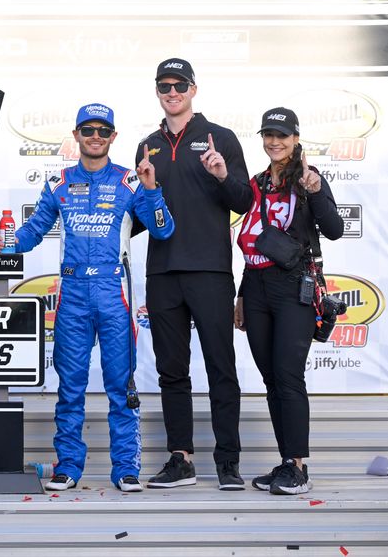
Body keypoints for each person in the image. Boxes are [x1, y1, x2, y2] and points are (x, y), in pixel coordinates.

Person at [0, 103, 174, 493]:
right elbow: (32, 231)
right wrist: (7, 242)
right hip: (73, 294)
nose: (95, 136)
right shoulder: (58, 183)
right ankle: (69, 466)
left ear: (113, 137)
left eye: (103, 131)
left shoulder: (130, 181)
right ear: (75, 135)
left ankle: (126, 468)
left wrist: (151, 188)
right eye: (88, 130)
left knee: (121, 385)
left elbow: (163, 230)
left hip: (114, 294)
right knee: (70, 386)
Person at [134, 58, 253, 491]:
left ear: (193, 89)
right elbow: (144, 217)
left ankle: (229, 462)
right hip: (163, 271)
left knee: (222, 367)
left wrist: (222, 175)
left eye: (179, 84)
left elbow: (243, 202)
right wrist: (144, 191)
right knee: (172, 371)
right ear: (158, 90)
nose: (172, 91)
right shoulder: (147, 145)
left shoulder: (219, 138)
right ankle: (180, 458)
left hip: (210, 270)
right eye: (164, 84)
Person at [234, 107, 344, 495]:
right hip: (258, 286)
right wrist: (242, 294)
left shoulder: (309, 179)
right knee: (270, 379)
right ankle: (285, 462)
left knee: (288, 376)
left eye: (282, 135)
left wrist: (315, 194)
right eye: (269, 134)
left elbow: (334, 230)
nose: (275, 142)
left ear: (296, 139)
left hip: (295, 287)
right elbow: (252, 241)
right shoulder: (259, 182)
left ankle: (298, 467)